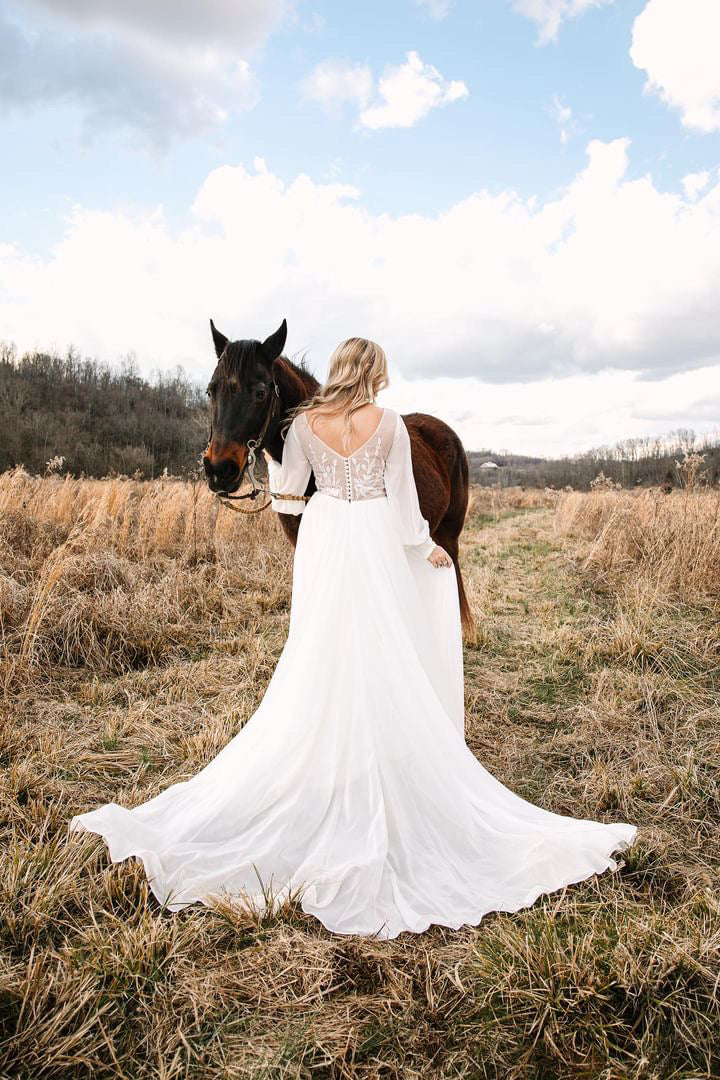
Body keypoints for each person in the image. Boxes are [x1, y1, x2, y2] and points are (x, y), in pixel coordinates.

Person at [69, 338, 638, 939]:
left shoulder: (308, 424)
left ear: (336, 371)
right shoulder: (390, 423)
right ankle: (391, 743)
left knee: (322, 650)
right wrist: (425, 550)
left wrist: (274, 480)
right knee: (383, 641)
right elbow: (403, 509)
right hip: (372, 539)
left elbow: (288, 494)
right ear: (376, 374)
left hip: (325, 542)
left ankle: (331, 749)